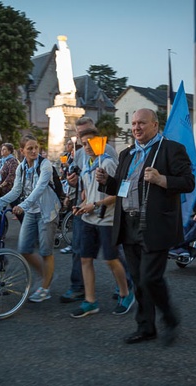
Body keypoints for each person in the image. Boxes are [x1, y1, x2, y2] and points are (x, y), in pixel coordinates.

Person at [95, 108, 195, 345]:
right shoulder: (127, 154)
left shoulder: (171, 150)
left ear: (155, 125)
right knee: (139, 280)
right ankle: (146, 327)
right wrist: (107, 182)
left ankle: (170, 318)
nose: (136, 128)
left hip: (155, 224)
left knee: (150, 278)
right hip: (128, 223)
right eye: (134, 124)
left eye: (142, 123)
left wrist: (162, 179)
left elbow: (189, 182)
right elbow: (121, 189)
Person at [69, 128, 134, 318]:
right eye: (84, 143)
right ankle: (90, 301)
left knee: (111, 259)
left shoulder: (109, 163)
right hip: (89, 217)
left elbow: (119, 193)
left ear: (100, 142)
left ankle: (125, 293)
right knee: (85, 258)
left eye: (91, 142)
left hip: (107, 219)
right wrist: (81, 206)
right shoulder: (87, 164)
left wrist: (95, 204)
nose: (87, 146)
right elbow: (89, 194)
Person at [0, 135, 61, 303]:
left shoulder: (45, 165)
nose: (33, 151)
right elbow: (16, 191)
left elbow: (39, 189)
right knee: (24, 249)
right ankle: (47, 276)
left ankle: (45, 288)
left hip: (47, 211)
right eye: (29, 148)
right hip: (31, 211)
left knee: (46, 251)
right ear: (22, 151)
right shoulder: (21, 168)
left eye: (36, 147)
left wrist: (22, 206)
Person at [60, 116, 119, 301]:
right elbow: (80, 176)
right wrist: (74, 184)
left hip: (104, 210)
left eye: (86, 133)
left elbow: (115, 183)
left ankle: (124, 287)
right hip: (83, 208)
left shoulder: (108, 152)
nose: (84, 140)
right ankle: (79, 288)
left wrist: (97, 199)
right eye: (79, 135)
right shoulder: (79, 152)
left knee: (112, 255)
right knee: (80, 250)